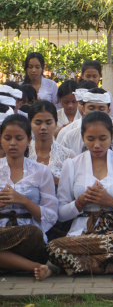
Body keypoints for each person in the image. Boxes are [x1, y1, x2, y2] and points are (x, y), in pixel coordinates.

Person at [47, 112, 113, 275]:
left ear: (111, 137)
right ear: (83, 137)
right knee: (53, 248)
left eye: (103, 138)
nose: (97, 145)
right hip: (81, 236)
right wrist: (81, 202)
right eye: (91, 139)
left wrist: (110, 201)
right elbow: (61, 214)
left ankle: (81, 266)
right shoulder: (71, 165)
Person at [0, 115, 59, 280]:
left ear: (29, 140)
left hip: (28, 239)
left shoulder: (41, 172)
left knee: (33, 232)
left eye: (19, 138)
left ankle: (8, 264)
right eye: (7, 138)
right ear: (0, 140)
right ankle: (36, 268)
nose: (13, 143)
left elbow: (51, 215)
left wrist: (23, 201)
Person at [28, 100, 75, 185]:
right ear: (30, 124)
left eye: (48, 123)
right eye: (38, 123)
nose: (43, 127)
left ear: (56, 124)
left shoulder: (68, 155)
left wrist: (53, 179)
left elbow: (74, 186)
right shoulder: (24, 153)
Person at [59, 87, 113, 154]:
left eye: (101, 109)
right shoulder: (68, 134)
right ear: (83, 109)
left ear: (108, 111)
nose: (95, 113)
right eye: (91, 108)